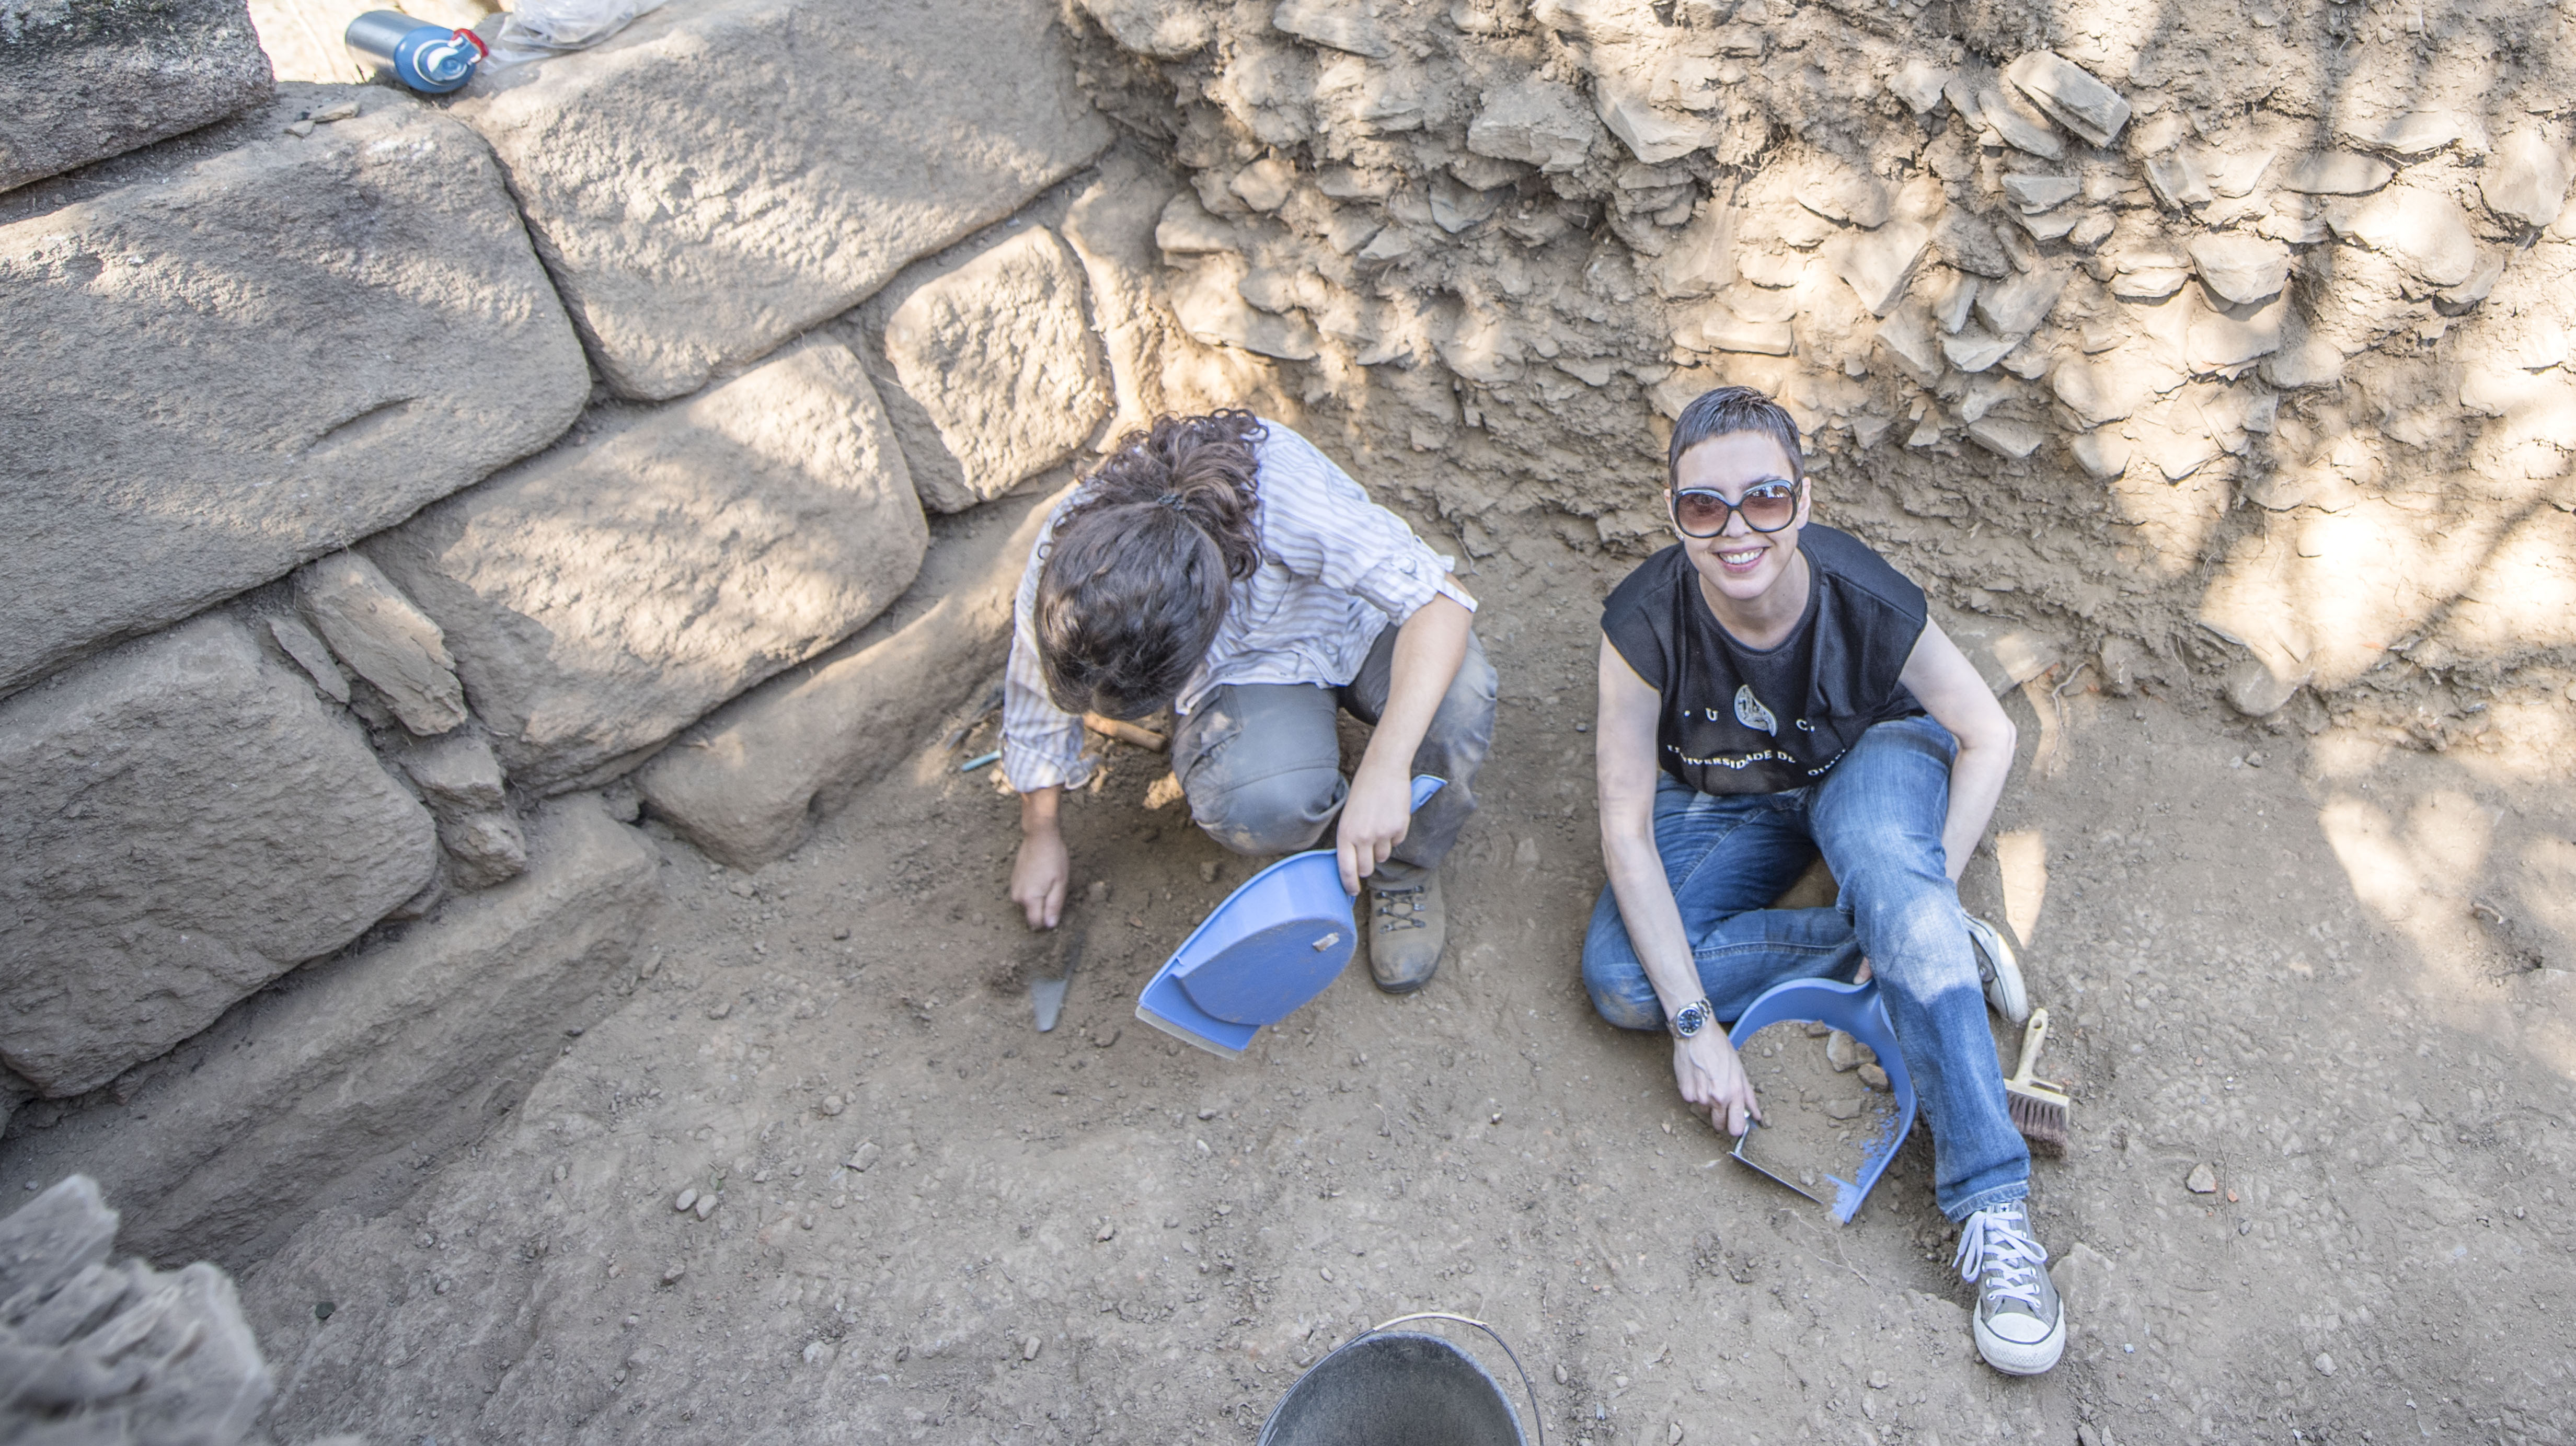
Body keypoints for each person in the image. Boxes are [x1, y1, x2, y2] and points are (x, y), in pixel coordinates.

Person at [1582, 386, 2064, 1376]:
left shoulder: (1864, 596)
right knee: (1625, 983)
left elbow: (1989, 731)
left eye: (1764, 497)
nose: (1735, 529)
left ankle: (1990, 1202)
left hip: (1864, 760)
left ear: (1801, 500)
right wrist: (1692, 1025)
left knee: (1899, 880)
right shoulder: (1641, 620)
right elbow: (1623, 828)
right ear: (1674, 516)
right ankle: (1926, 948)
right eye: (1702, 508)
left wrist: (1926, 881)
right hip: (1722, 798)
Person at [1002, 410, 1496, 993]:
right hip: (1253, 672)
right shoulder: (1066, 563)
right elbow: (1034, 687)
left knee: (1458, 693)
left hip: (1352, 623)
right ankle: (1328, 828)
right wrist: (1040, 832)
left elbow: (1442, 604)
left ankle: (1403, 866)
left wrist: (1386, 768)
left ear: (1204, 620)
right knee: (1257, 803)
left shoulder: (1283, 491)